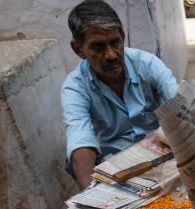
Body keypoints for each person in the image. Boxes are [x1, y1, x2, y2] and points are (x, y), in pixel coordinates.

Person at [62, 0, 178, 190]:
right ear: (78, 50)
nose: (110, 55)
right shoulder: (75, 87)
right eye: (97, 47)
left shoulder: (148, 65)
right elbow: (80, 141)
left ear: (122, 37)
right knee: (73, 162)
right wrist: (95, 204)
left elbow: (180, 105)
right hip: (117, 156)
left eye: (115, 42)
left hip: (161, 148)